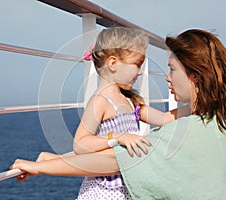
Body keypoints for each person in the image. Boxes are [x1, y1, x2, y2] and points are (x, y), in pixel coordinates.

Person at [11, 29, 226, 199]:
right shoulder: (216, 120)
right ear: (113, 63)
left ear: (194, 75)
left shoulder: (188, 129)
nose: (166, 77)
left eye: (172, 69)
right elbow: (95, 149)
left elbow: (116, 160)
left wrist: (43, 166)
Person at [33, 27, 190, 200]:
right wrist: (118, 137)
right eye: (137, 65)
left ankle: (51, 159)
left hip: (125, 183)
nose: (139, 72)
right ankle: (51, 160)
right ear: (113, 63)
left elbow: (163, 118)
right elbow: (80, 144)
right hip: (104, 190)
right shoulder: (100, 101)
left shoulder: (130, 101)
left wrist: (200, 106)